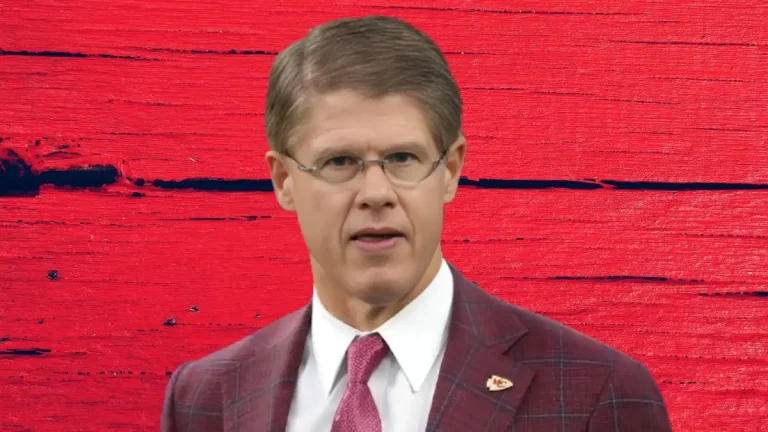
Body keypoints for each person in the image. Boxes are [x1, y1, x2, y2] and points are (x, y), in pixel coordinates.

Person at [160, 15, 673, 432]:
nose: (376, 193)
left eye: (403, 158)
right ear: (283, 180)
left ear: (449, 171)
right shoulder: (203, 399)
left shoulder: (597, 392)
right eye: (340, 162)